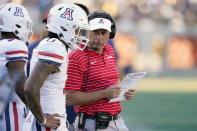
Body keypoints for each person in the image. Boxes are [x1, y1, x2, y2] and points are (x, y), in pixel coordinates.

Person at [64, 10, 136, 131]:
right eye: (95, 32)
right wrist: (104, 93)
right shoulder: (77, 56)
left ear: (111, 34)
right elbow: (69, 98)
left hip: (117, 121)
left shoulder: (109, 50)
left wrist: (124, 92)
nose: (99, 38)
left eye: (104, 33)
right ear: (86, 32)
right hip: (92, 123)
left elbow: (108, 84)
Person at [24, 2, 89, 131]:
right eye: (76, 29)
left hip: (51, 117)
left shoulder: (53, 44)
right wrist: (42, 119)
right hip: (48, 120)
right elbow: (30, 88)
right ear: (65, 27)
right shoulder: (54, 47)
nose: (78, 34)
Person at [0, 3, 33, 131]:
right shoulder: (14, 45)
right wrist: (41, 113)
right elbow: (21, 87)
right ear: (17, 24)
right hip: (10, 114)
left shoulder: (3, 45)